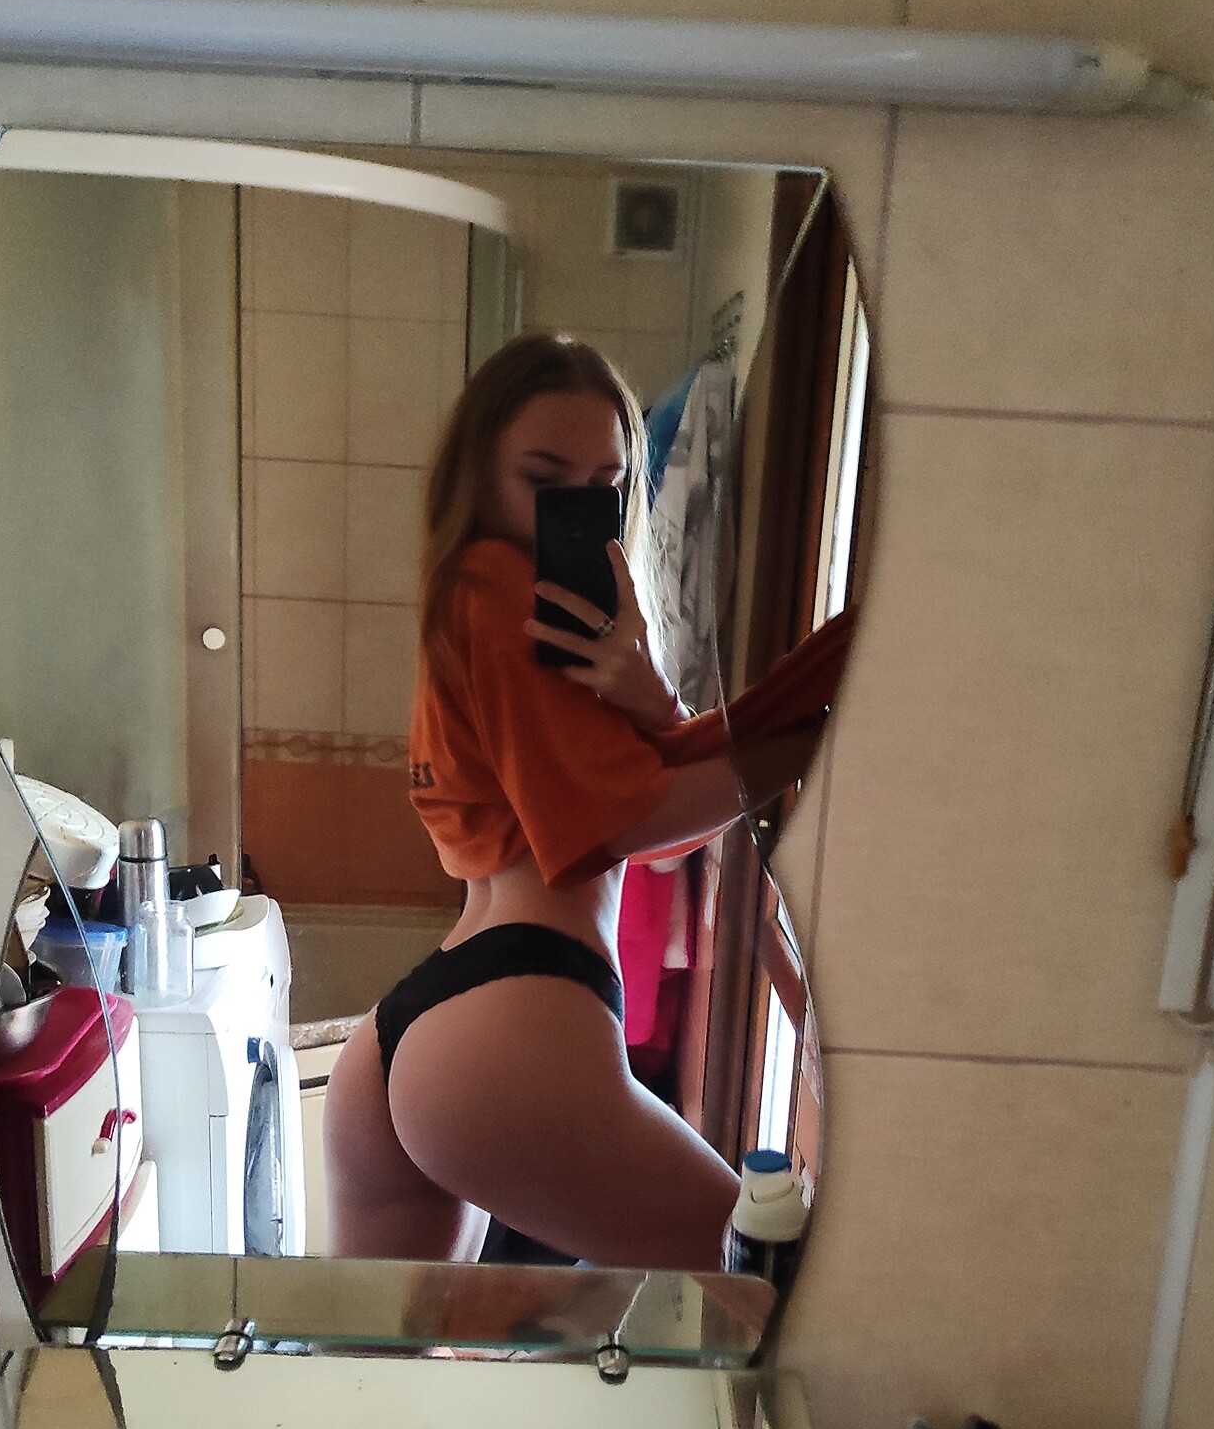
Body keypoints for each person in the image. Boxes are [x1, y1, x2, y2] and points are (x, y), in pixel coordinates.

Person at [322, 332, 832, 1272]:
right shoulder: (497, 586)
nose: (574, 507)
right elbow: (635, 821)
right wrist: (814, 732)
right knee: (764, 1285)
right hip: (517, 1015)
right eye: (542, 477)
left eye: (604, 483)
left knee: (393, 1355)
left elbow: (654, 820)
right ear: (477, 474)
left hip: (432, 1018)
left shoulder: (517, 616)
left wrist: (647, 692)